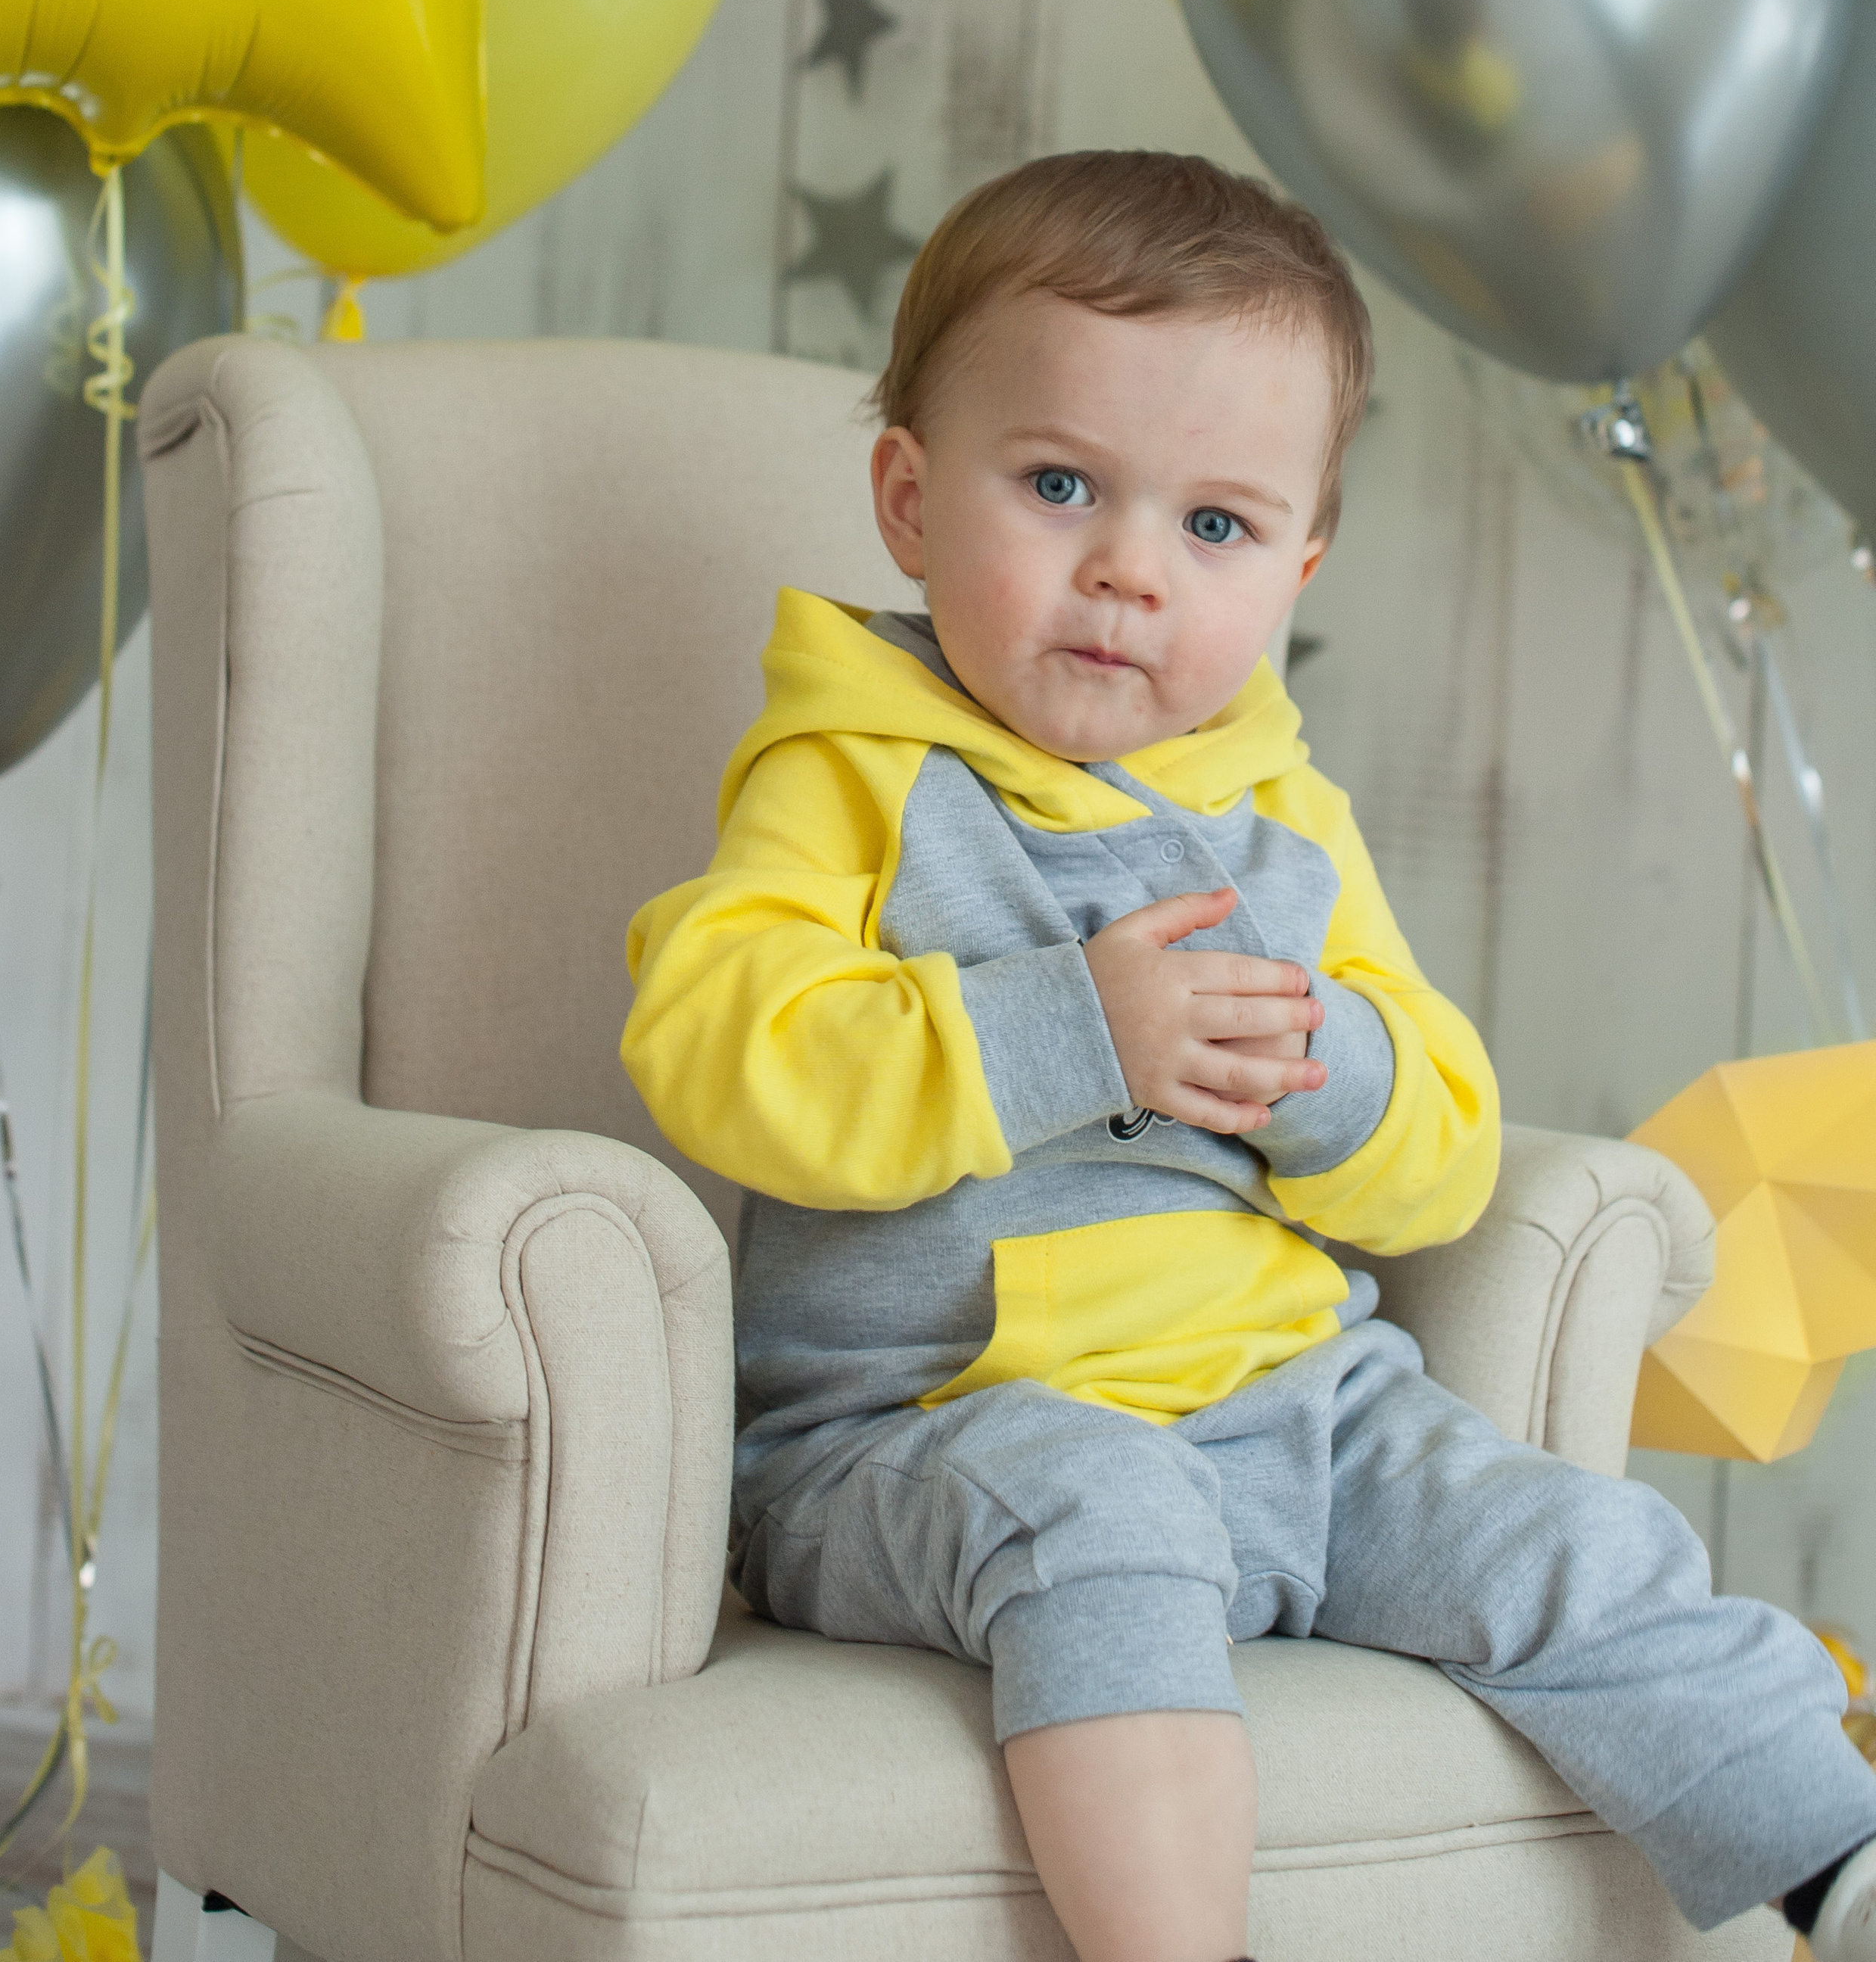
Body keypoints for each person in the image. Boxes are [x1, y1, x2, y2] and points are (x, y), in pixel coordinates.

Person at [623, 151, 1876, 1962]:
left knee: (1566, 1542)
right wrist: (1071, 1026)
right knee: (1101, 1507)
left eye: (1212, 526)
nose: (1126, 570)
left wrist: (1334, 1074)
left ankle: (1835, 1864)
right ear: (908, 497)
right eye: (1058, 485)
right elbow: (719, 1046)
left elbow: (1443, 1145)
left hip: (1292, 1409)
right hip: (921, 1429)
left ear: (1296, 564)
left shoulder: (1283, 817)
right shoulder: (854, 773)